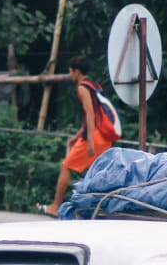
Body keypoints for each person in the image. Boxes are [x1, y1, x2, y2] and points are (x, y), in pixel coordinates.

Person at [39, 57, 120, 215]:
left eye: (70, 71)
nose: (70, 74)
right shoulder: (94, 85)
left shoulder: (82, 87)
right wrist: (77, 136)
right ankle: (100, 209)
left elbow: (90, 114)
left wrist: (89, 140)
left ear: (76, 71)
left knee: (66, 166)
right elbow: (94, 114)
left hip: (94, 136)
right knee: (99, 173)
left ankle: (55, 207)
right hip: (102, 137)